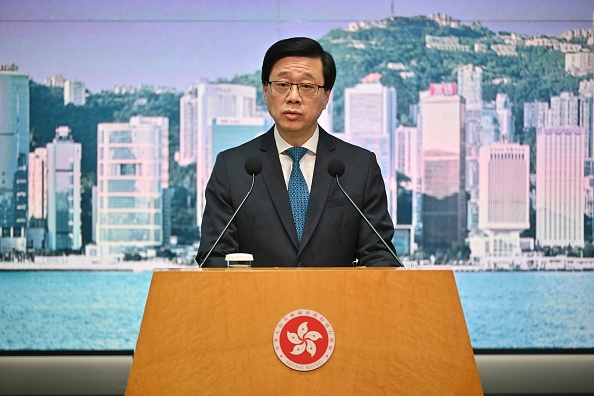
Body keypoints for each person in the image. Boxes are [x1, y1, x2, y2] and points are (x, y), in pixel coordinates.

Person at [196, 37, 399, 267]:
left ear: (326, 97)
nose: (293, 97)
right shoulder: (232, 168)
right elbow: (215, 256)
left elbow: (379, 255)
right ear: (265, 91)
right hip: (257, 302)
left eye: (307, 87)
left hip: (336, 301)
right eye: (282, 85)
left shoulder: (359, 167)